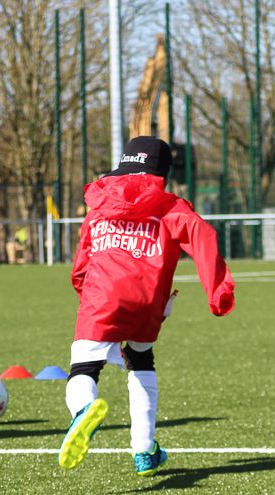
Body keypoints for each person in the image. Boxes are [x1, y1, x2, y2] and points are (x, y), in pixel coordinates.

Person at [59, 136, 236, 476]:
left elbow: (81, 263)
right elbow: (203, 239)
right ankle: (144, 450)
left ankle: (83, 409)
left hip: (101, 296)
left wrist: (86, 294)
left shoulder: (100, 207)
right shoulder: (171, 207)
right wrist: (218, 291)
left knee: (84, 366)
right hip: (147, 300)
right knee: (141, 359)